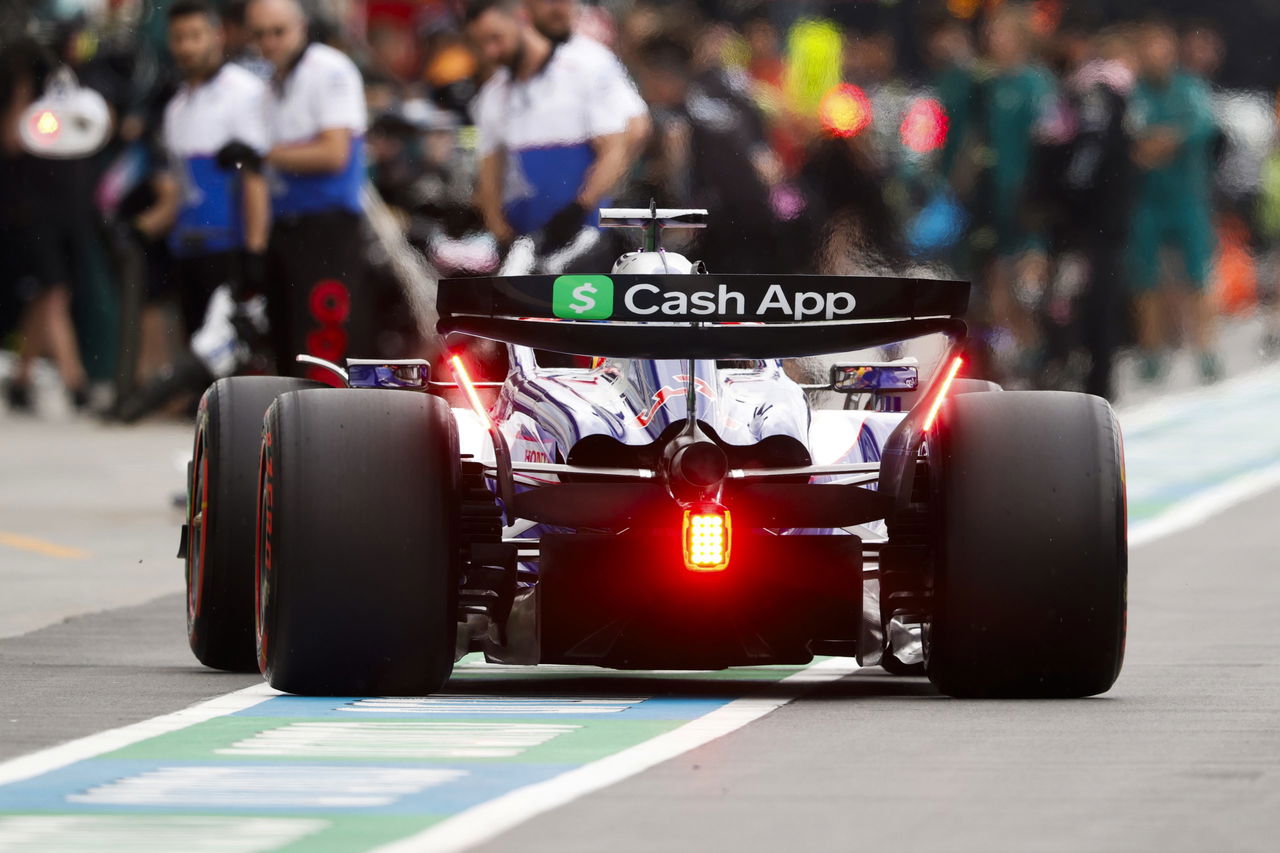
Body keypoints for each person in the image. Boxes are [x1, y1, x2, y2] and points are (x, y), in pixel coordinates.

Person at [236, 0, 368, 379]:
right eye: (260, 35)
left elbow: (333, 153)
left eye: (278, 32)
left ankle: (334, 431)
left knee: (324, 346)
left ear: (301, 27)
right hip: (285, 227)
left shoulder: (329, 69)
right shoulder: (269, 85)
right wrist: (255, 248)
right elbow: (258, 172)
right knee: (287, 345)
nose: (270, 42)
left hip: (327, 228)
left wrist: (265, 154)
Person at [131, 0, 271, 340]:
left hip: (230, 251)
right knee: (197, 356)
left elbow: (257, 179)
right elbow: (181, 188)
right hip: (188, 251)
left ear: (217, 35)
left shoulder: (244, 92)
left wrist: (254, 252)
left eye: (195, 36)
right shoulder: (176, 107)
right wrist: (141, 227)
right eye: (179, 38)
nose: (187, 46)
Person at [464, 0, 646, 253]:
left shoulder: (586, 66)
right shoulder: (493, 95)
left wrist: (581, 207)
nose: (491, 52)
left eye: (496, 38)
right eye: (481, 44)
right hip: (527, 239)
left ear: (521, 19)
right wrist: (500, 233)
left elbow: (621, 144)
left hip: (585, 232)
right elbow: (490, 173)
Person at [1128, 19, 1220, 383]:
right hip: (1146, 201)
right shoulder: (1134, 92)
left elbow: (1202, 127)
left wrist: (1167, 140)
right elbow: (1128, 138)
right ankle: (1151, 351)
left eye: (1162, 46)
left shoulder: (1190, 87)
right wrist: (1153, 144)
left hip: (1187, 198)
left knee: (1198, 276)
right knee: (1145, 279)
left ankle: (1206, 349)